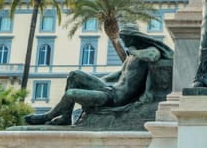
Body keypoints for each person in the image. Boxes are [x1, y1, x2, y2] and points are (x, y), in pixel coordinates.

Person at [24, 28, 172, 126]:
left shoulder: (146, 52)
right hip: (108, 90)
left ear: (134, 38)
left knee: (71, 94)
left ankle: (48, 116)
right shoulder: (130, 58)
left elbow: (154, 56)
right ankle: (66, 116)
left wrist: (134, 51)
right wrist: (94, 83)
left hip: (115, 98)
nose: (124, 42)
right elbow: (117, 76)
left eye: (126, 39)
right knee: (74, 75)